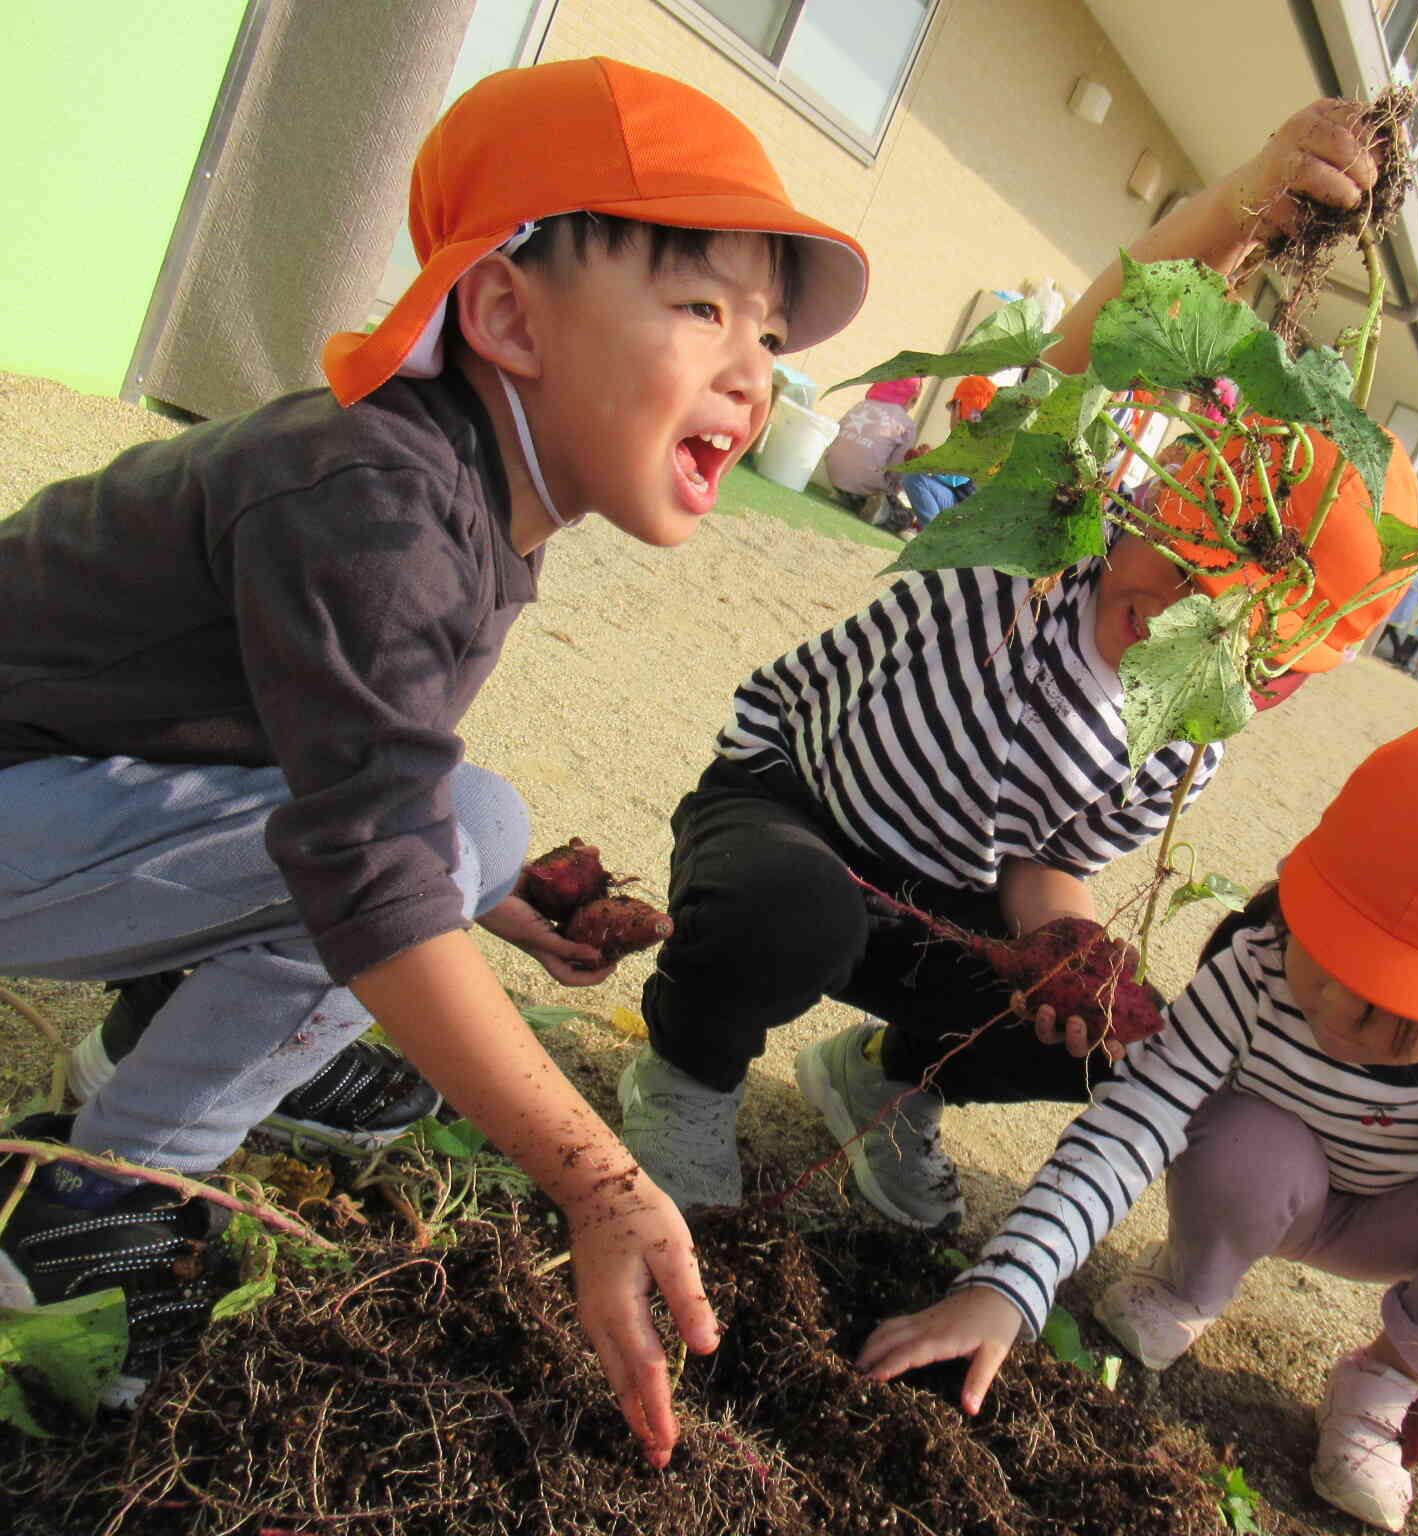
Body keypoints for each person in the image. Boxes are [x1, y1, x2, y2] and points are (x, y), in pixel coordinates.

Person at [0, 56, 869, 1467]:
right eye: (702, 307)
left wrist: (495, 897)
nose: (751, 375)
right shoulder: (380, 503)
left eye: (767, 337)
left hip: (62, 796)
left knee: (476, 834)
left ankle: (165, 1041)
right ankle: (106, 1189)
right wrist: (593, 1176)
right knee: (427, 857)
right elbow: (365, 853)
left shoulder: (463, 483)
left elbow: (352, 761)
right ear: (508, 314)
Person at [616, 97, 1415, 1234]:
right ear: (1149, 503)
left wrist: (1068, 948)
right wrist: (1252, 201)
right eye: (1179, 564)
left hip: (943, 911)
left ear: (1275, 670)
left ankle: (886, 1085)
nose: (1176, 615)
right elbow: (1103, 330)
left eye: (1230, 629)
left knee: (1124, 1041)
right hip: (794, 817)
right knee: (782, 912)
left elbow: (1044, 860)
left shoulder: (1183, 738)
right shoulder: (1049, 530)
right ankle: (688, 1077)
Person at [854, 718, 1418, 1532]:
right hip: (1267, 1186)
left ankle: (1385, 1386)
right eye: (1325, 958)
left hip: (1407, 1215)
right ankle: (1192, 1284)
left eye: (1389, 1010)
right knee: (1247, 1136)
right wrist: (1007, 1287)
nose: (1334, 1010)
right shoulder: (1255, 971)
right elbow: (1129, 1123)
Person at [897, 374, 998, 530]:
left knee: (914, 478)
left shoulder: (975, 441)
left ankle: (931, 534)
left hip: (969, 516)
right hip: (970, 511)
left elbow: (955, 479)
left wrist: (926, 462)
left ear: (959, 408)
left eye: (952, 408)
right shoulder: (984, 438)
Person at [823, 377, 923, 525]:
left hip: (833, 474)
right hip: (866, 488)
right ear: (912, 399)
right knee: (906, 517)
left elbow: (835, 436)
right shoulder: (907, 424)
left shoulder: (861, 406)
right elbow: (897, 469)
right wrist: (893, 491)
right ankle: (881, 511)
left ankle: (843, 494)